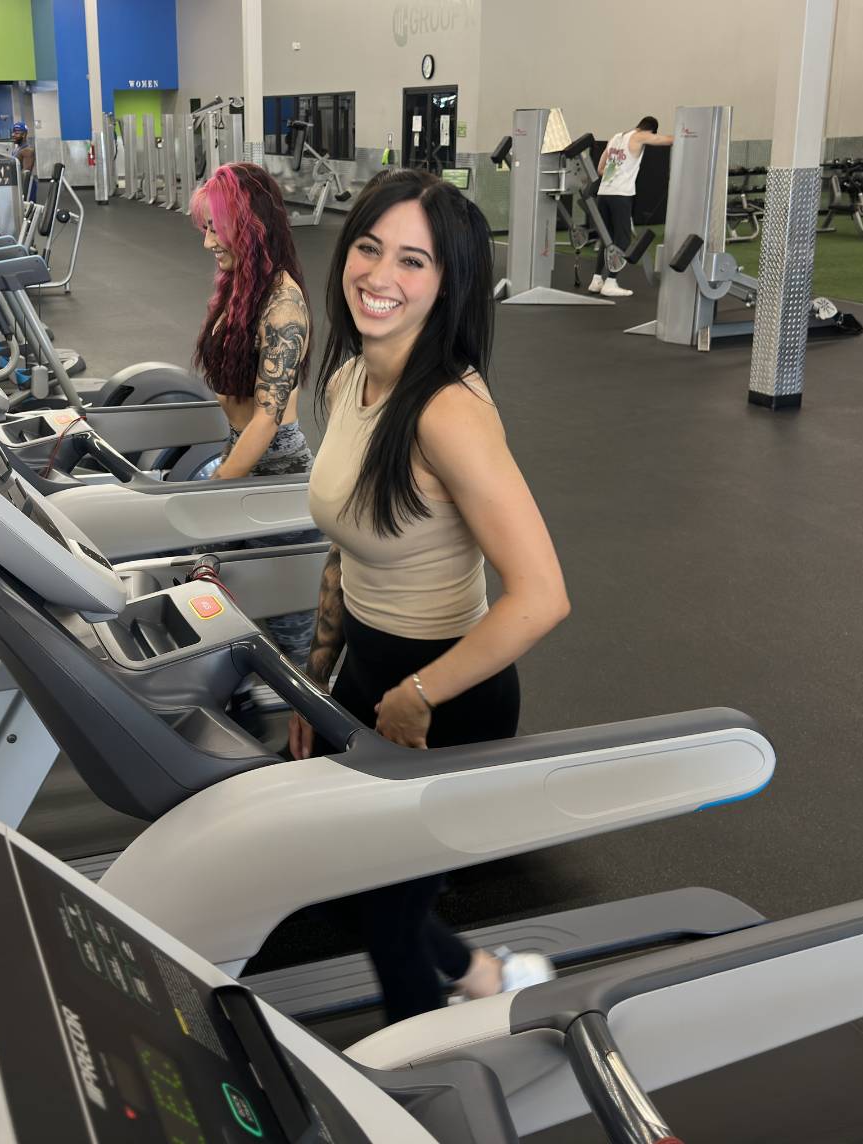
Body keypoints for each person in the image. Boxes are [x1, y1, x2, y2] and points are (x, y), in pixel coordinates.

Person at [289, 168, 571, 1023]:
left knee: (384, 918)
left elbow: (541, 596)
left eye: (413, 262)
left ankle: (425, 1069)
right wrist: (319, 676)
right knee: (349, 882)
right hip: (369, 666)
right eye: (370, 248)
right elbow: (346, 551)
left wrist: (418, 697)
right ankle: (484, 975)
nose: (380, 276)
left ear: (446, 283)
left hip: (451, 689)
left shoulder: (448, 412)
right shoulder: (347, 380)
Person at [190, 162, 317, 662]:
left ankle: (306, 712)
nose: (208, 243)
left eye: (215, 229)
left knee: (291, 628)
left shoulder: (284, 305)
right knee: (219, 593)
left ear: (250, 226)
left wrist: (217, 489)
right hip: (241, 454)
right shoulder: (238, 289)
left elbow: (267, 416)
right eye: (205, 230)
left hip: (278, 472)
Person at [588, 115, 674, 298]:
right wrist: (690, 134)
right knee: (623, 240)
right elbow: (666, 140)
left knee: (607, 238)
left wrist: (617, 171)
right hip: (620, 195)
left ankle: (596, 280)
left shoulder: (616, 137)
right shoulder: (639, 136)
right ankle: (610, 282)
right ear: (649, 130)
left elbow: (601, 170)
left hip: (604, 193)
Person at [11, 121, 37, 201]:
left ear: (24, 134)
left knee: (26, 210)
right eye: (13, 132)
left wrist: (23, 193)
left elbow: (26, 175)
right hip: (18, 183)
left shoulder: (27, 151)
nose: (13, 135)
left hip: (26, 185)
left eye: (17, 133)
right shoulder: (17, 149)